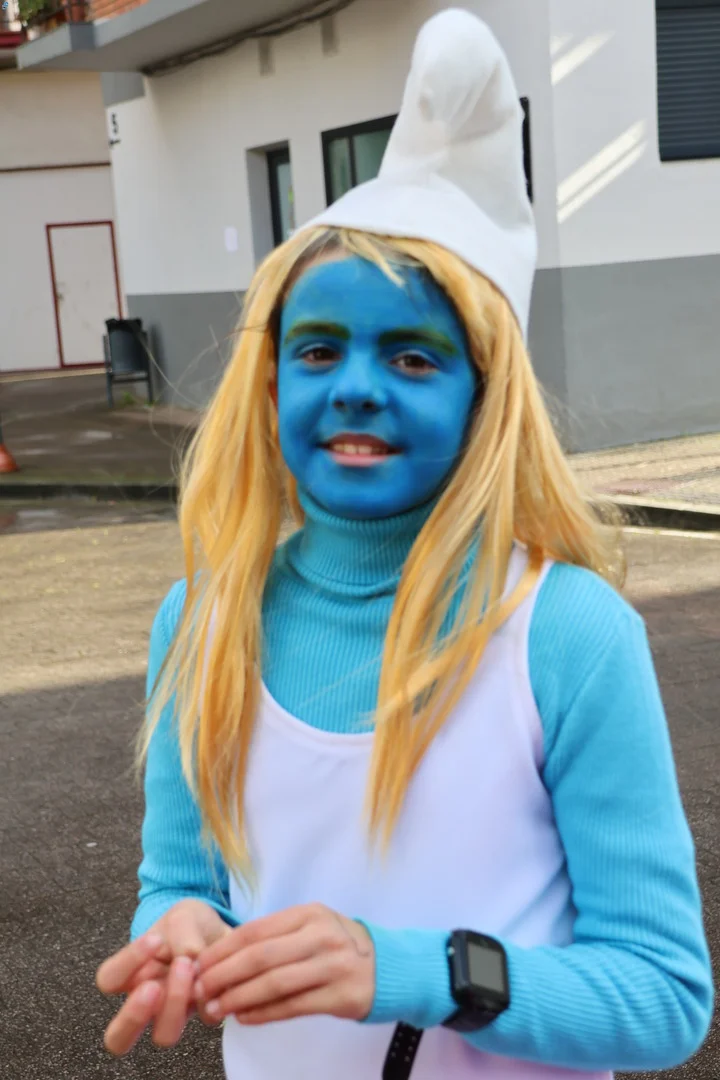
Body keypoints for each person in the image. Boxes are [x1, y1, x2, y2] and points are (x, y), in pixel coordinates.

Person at [96, 10, 713, 1079]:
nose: (356, 386)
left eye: (415, 356)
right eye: (318, 349)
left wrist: (410, 970)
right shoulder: (199, 624)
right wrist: (178, 931)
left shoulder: (567, 633)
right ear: (270, 382)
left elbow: (662, 997)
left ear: (486, 394)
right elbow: (180, 882)